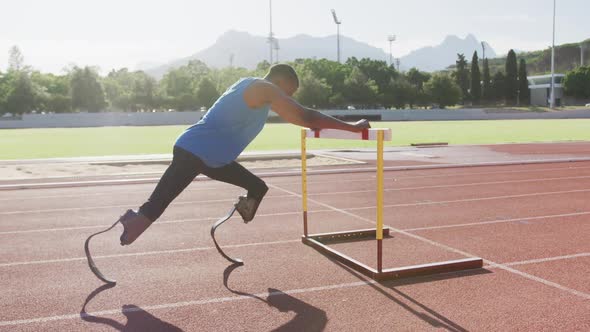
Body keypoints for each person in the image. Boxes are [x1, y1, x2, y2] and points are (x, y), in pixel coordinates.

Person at [119, 64, 370, 246]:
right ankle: (131, 226)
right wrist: (352, 127)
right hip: (196, 151)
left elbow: (299, 119)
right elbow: (304, 116)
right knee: (159, 204)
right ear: (280, 82)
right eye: (289, 92)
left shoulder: (249, 85)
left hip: (211, 158)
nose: (288, 98)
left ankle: (133, 221)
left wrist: (322, 124)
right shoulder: (264, 88)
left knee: (257, 187)